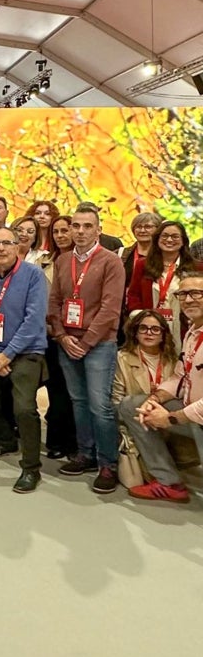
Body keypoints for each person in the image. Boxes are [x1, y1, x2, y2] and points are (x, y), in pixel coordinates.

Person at [48, 203, 126, 493]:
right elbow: (54, 301)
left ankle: (108, 463)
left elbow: (110, 308)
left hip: (98, 344)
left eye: (87, 226)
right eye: (75, 226)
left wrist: (86, 341)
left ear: (98, 230)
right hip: (67, 342)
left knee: (100, 405)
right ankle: (86, 454)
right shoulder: (63, 260)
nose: (80, 231)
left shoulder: (110, 262)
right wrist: (61, 335)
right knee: (78, 401)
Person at [0, 227, 49, 493]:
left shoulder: (33, 275)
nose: (1, 248)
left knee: (24, 409)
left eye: (6, 243)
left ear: (18, 246)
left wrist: (8, 353)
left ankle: (31, 468)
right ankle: (5, 439)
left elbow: (34, 319)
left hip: (26, 351)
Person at [120, 272, 203, 502]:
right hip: (193, 412)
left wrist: (171, 418)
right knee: (132, 406)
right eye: (183, 294)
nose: (188, 300)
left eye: (196, 293)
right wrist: (154, 400)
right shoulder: (193, 334)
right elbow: (179, 377)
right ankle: (169, 482)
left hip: (198, 415)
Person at [113, 310, 176, 487]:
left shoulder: (173, 360)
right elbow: (117, 401)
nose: (149, 333)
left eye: (155, 329)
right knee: (134, 482)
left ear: (164, 334)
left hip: (165, 421)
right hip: (135, 422)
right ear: (135, 331)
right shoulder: (122, 358)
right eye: (143, 328)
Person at [42, 214, 79, 460]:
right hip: (52, 333)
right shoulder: (46, 262)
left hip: (79, 334)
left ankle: (76, 443)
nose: (61, 235)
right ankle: (56, 440)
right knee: (56, 389)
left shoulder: (86, 262)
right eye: (56, 232)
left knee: (75, 391)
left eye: (65, 230)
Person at [127, 220, 195, 351]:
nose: (169, 240)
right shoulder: (143, 265)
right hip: (150, 329)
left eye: (175, 236)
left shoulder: (196, 267)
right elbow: (133, 295)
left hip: (184, 328)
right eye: (164, 236)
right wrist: (141, 317)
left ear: (183, 241)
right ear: (157, 239)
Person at [121, 211, 163, 289]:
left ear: (158, 230)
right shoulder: (120, 254)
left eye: (148, 227)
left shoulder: (166, 255)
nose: (142, 230)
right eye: (138, 227)